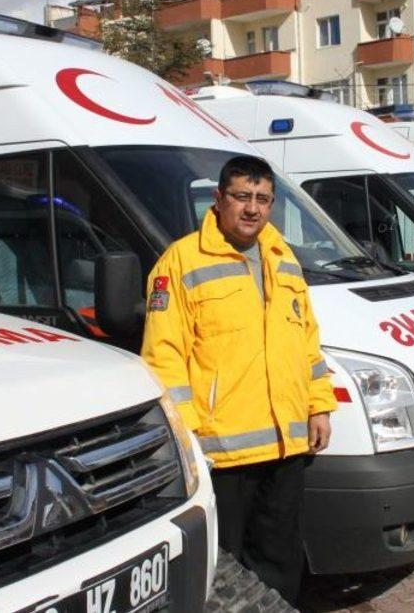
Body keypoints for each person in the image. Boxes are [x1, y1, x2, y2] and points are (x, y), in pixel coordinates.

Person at [140, 156, 336, 603]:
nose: (252, 208)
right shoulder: (181, 261)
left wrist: (319, 406)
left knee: (281, 561)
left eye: (263, 199)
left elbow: (306, 341)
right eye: (242, 196)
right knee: (225, 567)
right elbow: (163, 357)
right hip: (223, 452)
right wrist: (187, 435)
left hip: (287, 446)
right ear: (219, 199)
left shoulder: (283, 259)